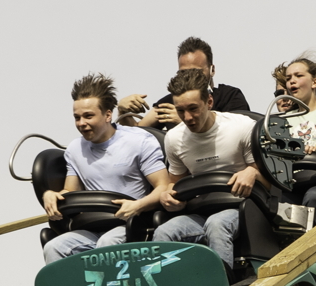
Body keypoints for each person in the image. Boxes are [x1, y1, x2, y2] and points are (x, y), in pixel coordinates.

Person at [42, 73, 173, 264]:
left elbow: (163, 187)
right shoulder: (75, 149)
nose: (81, 123)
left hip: (131, 225)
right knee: (54, 247)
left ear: (108, 115)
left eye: (88, 116)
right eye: (77, 117)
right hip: (93, 226)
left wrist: (137, 206)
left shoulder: (138, 140)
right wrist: (51, 194)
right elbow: (70, 192)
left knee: (107, 243)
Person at [153, 67, 263, 267]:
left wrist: (252, 171)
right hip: (201, 210)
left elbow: (269, 182)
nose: (187, 117)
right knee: (163, 232)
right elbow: (175, 184)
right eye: (180, 111)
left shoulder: (241, 126)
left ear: (209, 102)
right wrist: (167, 196)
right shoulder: (174, 138)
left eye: (193, 108)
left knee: (217, 224)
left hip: (242, 207)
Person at [118, 37, 251, 129]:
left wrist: (184, 121)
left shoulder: (230, 96)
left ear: (212, 70)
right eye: (183, 72)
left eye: (196, 71)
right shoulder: (170, 102)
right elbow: (136, 132)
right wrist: (122, 110)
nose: (190, 76)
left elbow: (240, 132)